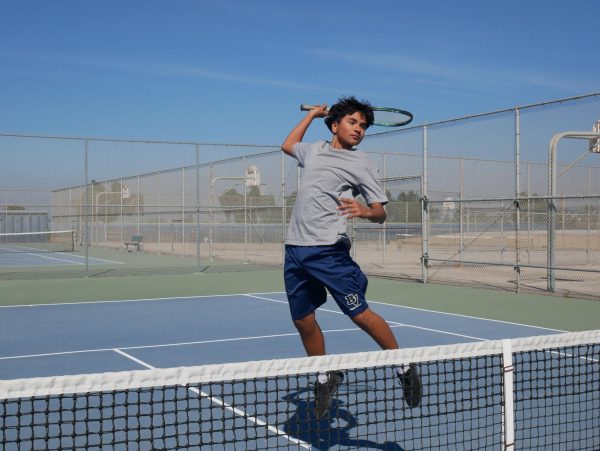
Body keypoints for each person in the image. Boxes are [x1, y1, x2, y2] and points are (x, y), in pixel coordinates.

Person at [281, 96, 422, 419]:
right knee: (302, 320)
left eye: (363, 126)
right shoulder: (313, 150)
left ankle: (402, 364)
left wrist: (364, 210)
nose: (359, 129)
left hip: (329, 249)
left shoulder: (362, 164)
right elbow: (288, 144)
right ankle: (325, 374)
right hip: (295, 248)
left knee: (358, 313)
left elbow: (380, 213)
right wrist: (313, 115)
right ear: (334, 125)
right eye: (353, 122)